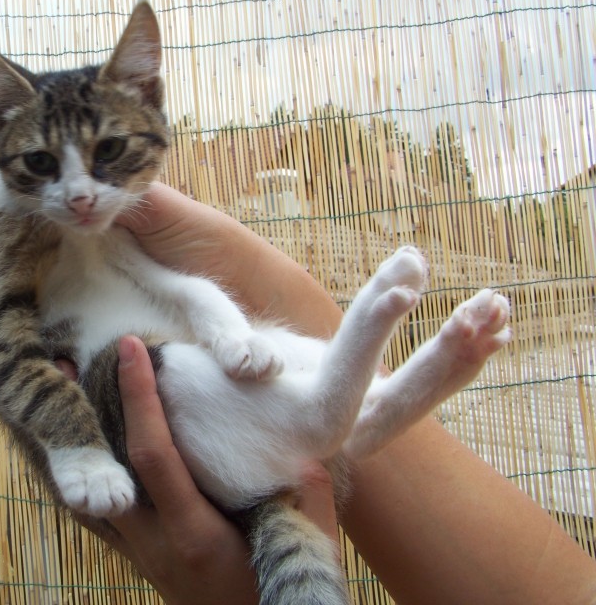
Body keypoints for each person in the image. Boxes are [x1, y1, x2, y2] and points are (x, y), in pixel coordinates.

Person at [86, 182, 596, 605]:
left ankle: (372, 407)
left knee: (259, 350)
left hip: (226, 438)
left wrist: (240, 267)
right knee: (160, 368)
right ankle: (330, 410)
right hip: (202, 443)